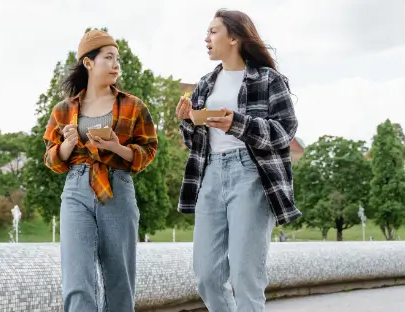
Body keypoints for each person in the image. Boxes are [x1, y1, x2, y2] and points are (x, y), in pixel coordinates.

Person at [175, 9, 300, 311]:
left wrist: (237, 124)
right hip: (210, 175)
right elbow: (194, 144)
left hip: (251, 174)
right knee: (207, 276)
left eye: (213, 31)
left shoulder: (268, 79)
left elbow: (285, 130)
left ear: (234, 37)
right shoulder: (205, 84)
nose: (206, 38)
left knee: (246, 276)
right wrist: (188, 121)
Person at [42, 29, 159, 312]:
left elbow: (148, 152)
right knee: (76, 279)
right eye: (108, 57)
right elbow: (52, 160)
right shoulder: (63, 110)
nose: (116, 64)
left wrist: (117, 147)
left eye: (117, 58)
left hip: (117, 188)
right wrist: (68, 145)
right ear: (88, 62)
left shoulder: (133, 106)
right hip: (76, 189)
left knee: (119, 280)